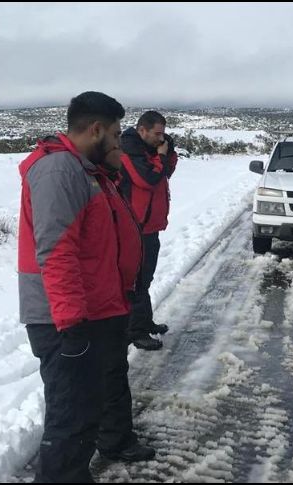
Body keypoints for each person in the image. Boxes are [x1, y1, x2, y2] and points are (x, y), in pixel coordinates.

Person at [19, 91, 154, 483]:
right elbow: (56, 250)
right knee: (71, 417)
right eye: (115, 134)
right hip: (67, 320)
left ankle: (95, 455)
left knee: (89, 407)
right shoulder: (59, 171)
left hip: (97, 309)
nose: (120, 142)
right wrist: (71, 323)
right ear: (96, 129)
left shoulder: (88, 170)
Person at [118, 111, 178, 351]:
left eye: (163, 134)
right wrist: (161, 156)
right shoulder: (129, 151)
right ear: (142, 130)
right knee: (137, 282)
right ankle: (136, 332)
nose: (160, 138)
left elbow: (166, 172)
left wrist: (168, 152)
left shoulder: (148, 150)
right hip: (135, 229)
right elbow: (148, 179)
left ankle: (144, 322)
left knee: (145, 279)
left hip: (150, 228)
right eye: (157, 134)